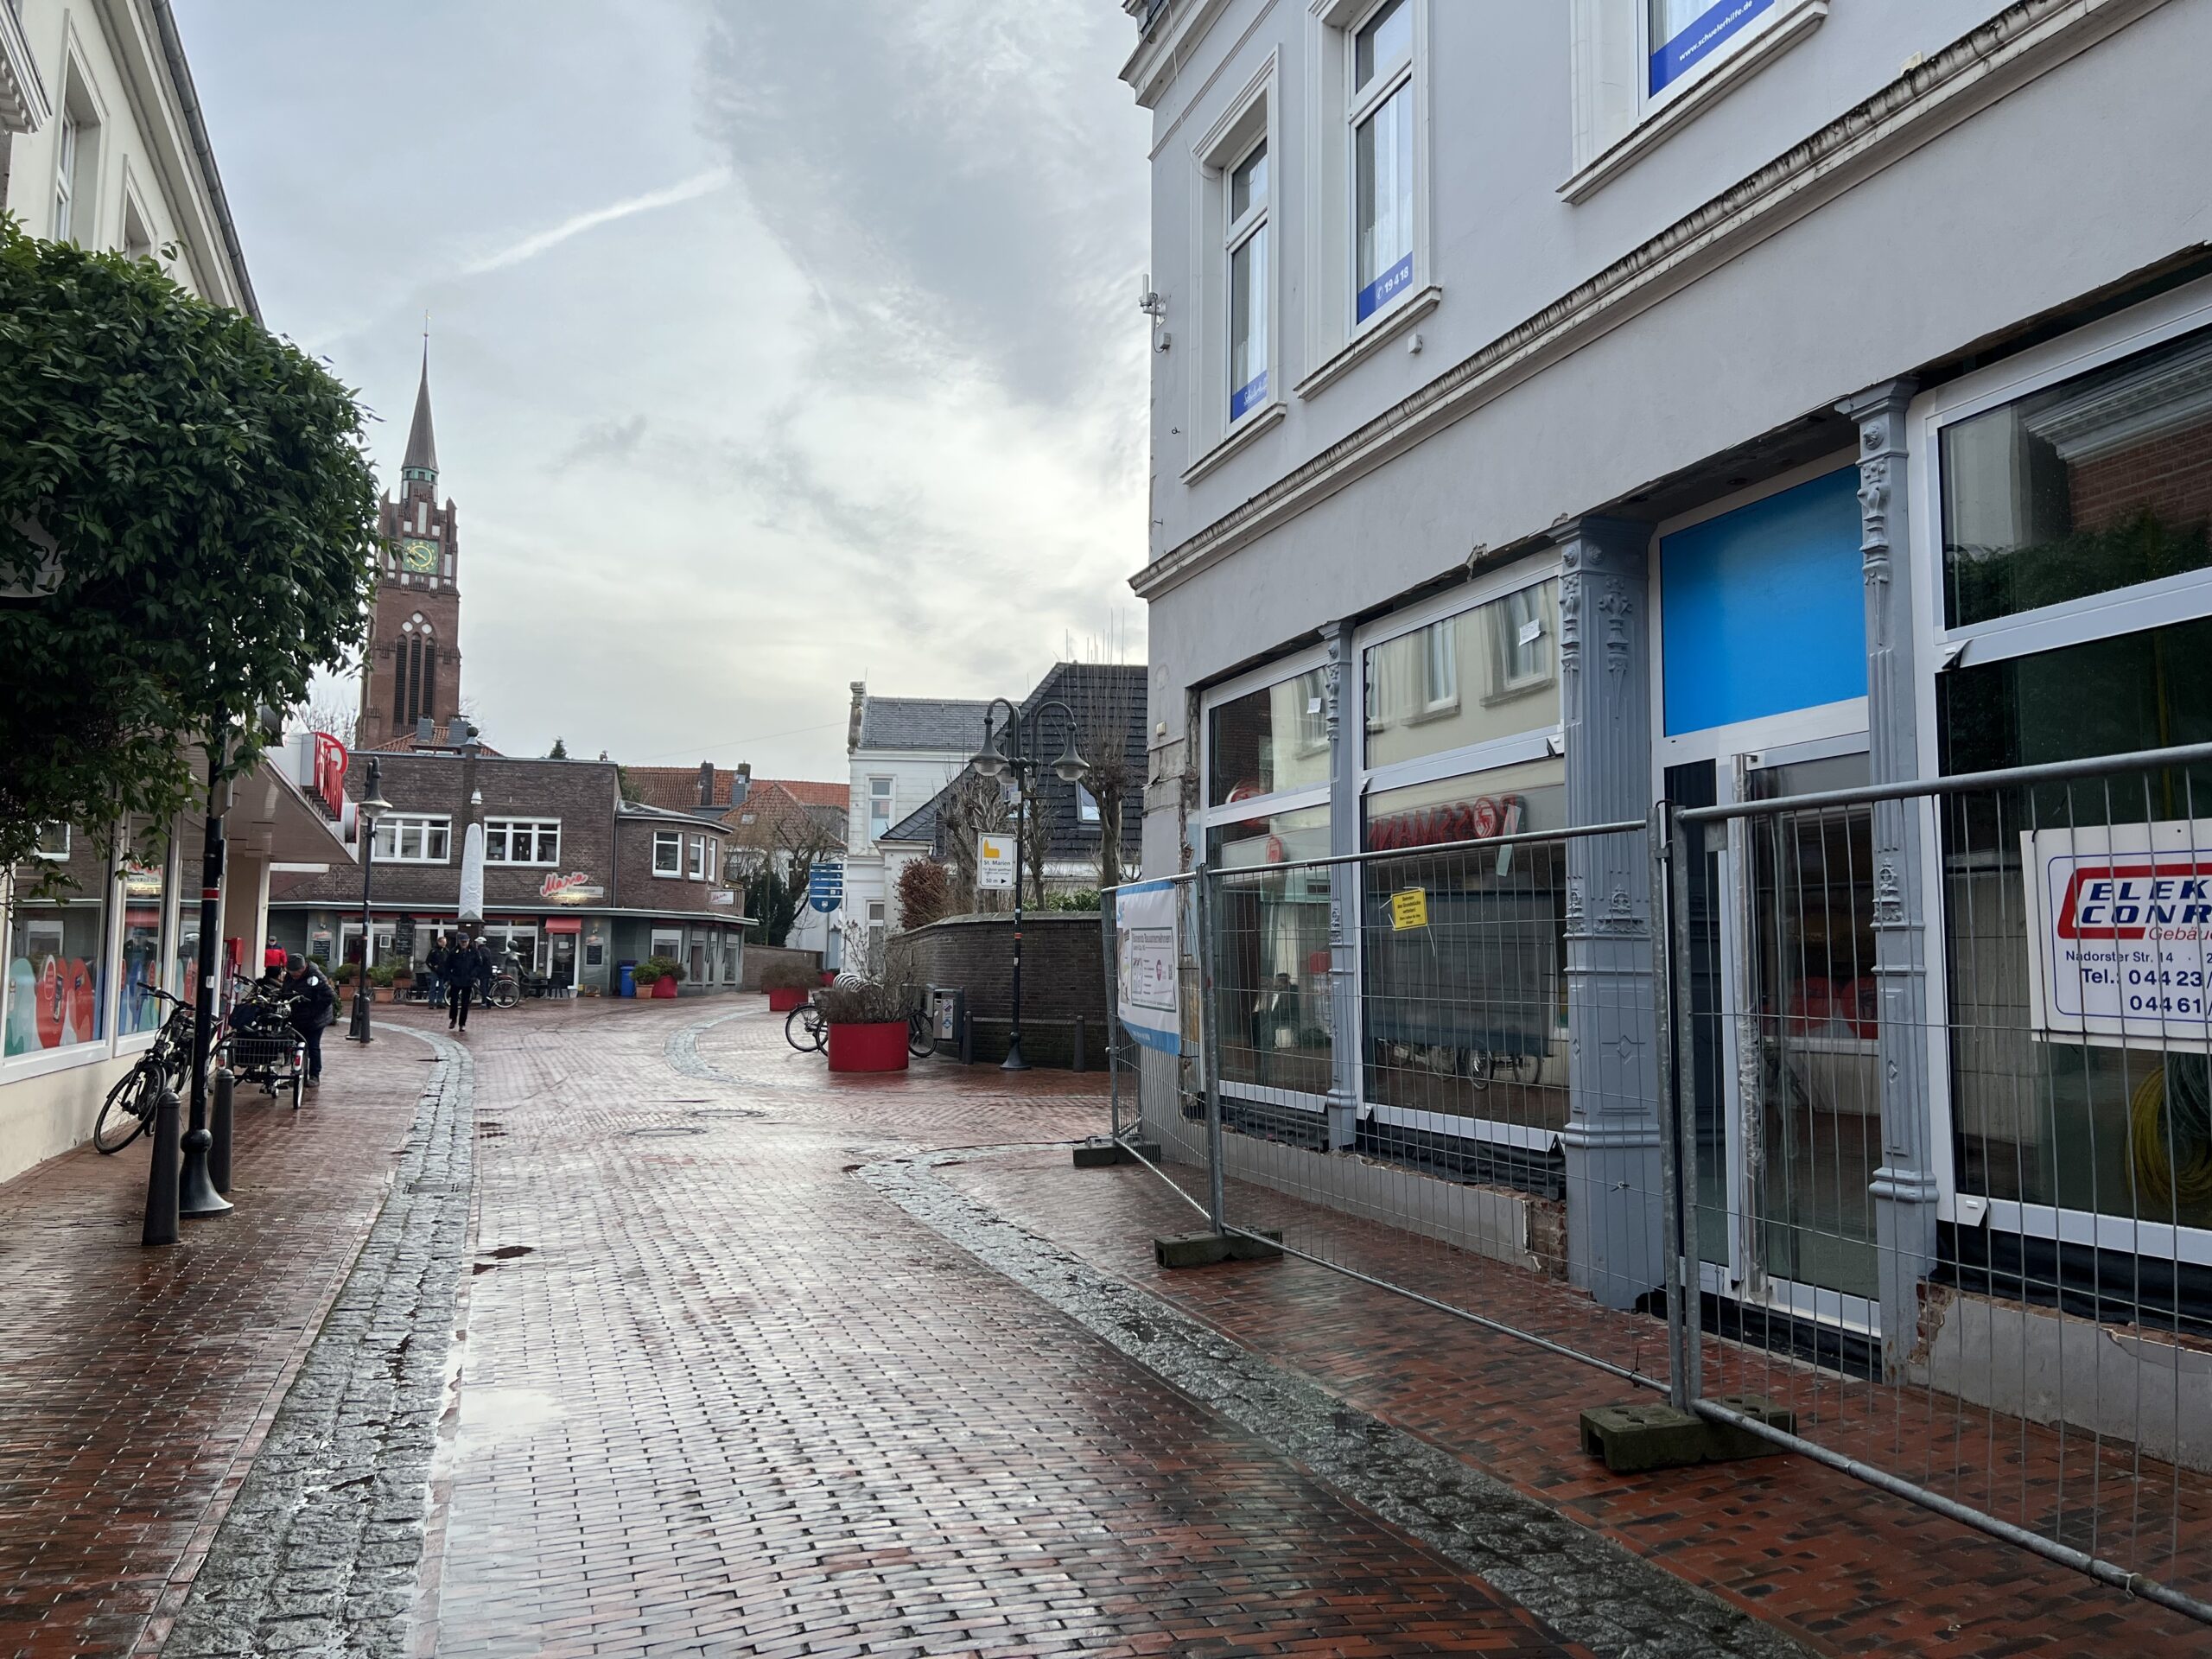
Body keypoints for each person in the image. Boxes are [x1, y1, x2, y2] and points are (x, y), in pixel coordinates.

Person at [282, 952, 337, 1087]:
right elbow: (285, 991)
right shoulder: (290, 976)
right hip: (298, 1015)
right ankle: (296, 1074)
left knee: (313, 1045)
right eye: (291, 973)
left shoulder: (316, 975)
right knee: (296, 1045)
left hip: (316, 1017)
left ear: (304, 967)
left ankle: (314, 1075)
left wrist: (314, 1011)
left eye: (297, 973)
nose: (294, 975)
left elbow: (329, 996)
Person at [448, 933, 489, 1032]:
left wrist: (473, 974)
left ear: (468, 941)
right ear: (459, 942)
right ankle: (453, 1019)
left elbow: (479, 964)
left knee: (465, 1003)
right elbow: (448, 965)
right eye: (462, 942)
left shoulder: (474, 952)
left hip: (468, 980)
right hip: (456, 980)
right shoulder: (454, 951)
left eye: (465, 942)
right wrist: (450, 977)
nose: (464, 944)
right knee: (453, 1001)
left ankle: (462, 1023)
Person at [423, 934, 449, 1007]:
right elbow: (428, 961)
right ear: (439, 942)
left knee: (441, 987)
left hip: (443, 972)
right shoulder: (434, 951)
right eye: (443, 943)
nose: (444, 944)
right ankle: (431, 1002)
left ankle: (439, 1002)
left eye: (445, 942)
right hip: (435, 972)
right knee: (433, 987)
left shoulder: (446, 951)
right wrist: (433, 967)